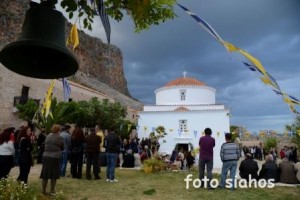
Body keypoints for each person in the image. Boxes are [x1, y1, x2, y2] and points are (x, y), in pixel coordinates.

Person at [40, 124, 64, 195]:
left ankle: (43, 190)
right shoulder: (59, 137)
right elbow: (62, 147)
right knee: (54, 175)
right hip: (55, 157)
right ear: (58, 130)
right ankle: (52, 191)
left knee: (45, 174)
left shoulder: (47, 136)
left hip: (46, 156)